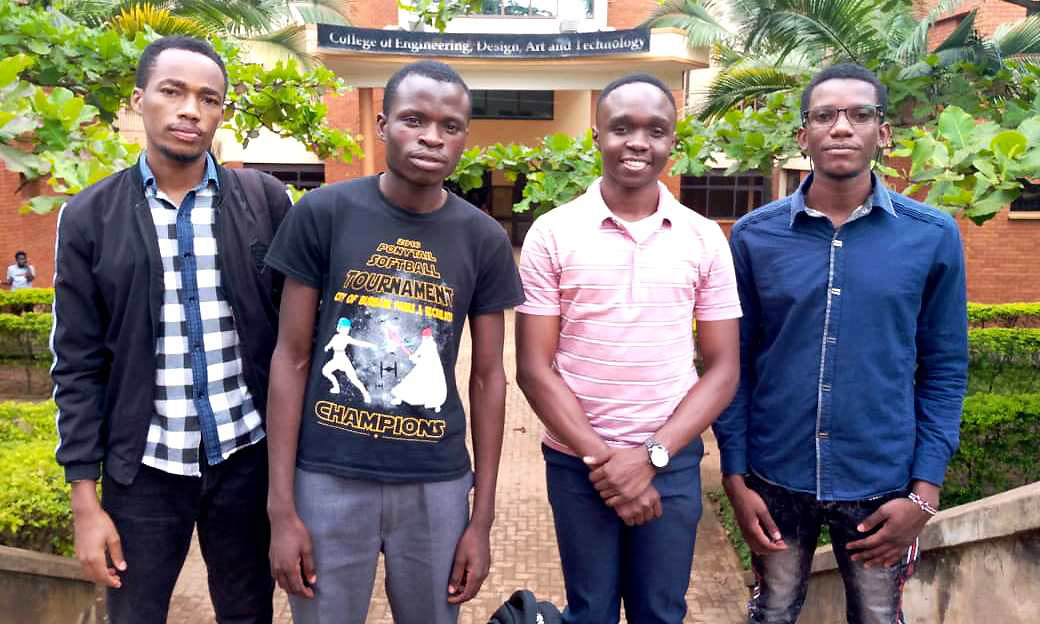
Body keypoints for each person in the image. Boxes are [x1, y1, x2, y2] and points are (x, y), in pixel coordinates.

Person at [264, 60, 524, 624]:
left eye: (450, 125)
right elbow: (292, 355)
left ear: (465, 138)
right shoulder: (323, 214)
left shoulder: (482, 238)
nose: (432, 137)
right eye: (414, 119)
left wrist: (481, 519)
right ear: (382, 125)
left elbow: (488, 377)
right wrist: (281, 508)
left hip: (436, 482)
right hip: (327, 476)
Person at [715, 63, 969, 624]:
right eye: (824, 115)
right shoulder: (755, 236)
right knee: (772, 612)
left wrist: (923, 495)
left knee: (879, 618)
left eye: (859, 114)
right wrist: (735, 475)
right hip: (776, 474)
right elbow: (729, 365)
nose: (841, 127)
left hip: (880, 482)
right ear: (803, 134)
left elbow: (946, 369)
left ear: (883, 132)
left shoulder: (931, 236)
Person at [52, 36, 290, 624]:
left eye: (208, 98)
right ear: (139, 101)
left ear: (221, 113)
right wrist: (86, 502)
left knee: (249, 611)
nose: (190, 109)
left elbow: (295, 341)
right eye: (172, 91)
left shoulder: (264, 200)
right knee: (135, 614)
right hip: (145, 470)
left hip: (246, 456)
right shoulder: (90, 216)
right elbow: (76, 365)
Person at [515, 73, 742, 624]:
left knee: (660, 612)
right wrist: (606, 461)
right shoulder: (552, 233)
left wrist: (650, 457)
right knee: (589, 612)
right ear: (596, 136)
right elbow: (533, 368)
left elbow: (723, 368)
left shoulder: (703, 237)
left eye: (655, 130)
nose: (638, 142)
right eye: (622, 127)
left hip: (673, 461)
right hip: (577, 464)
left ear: (672, 142)